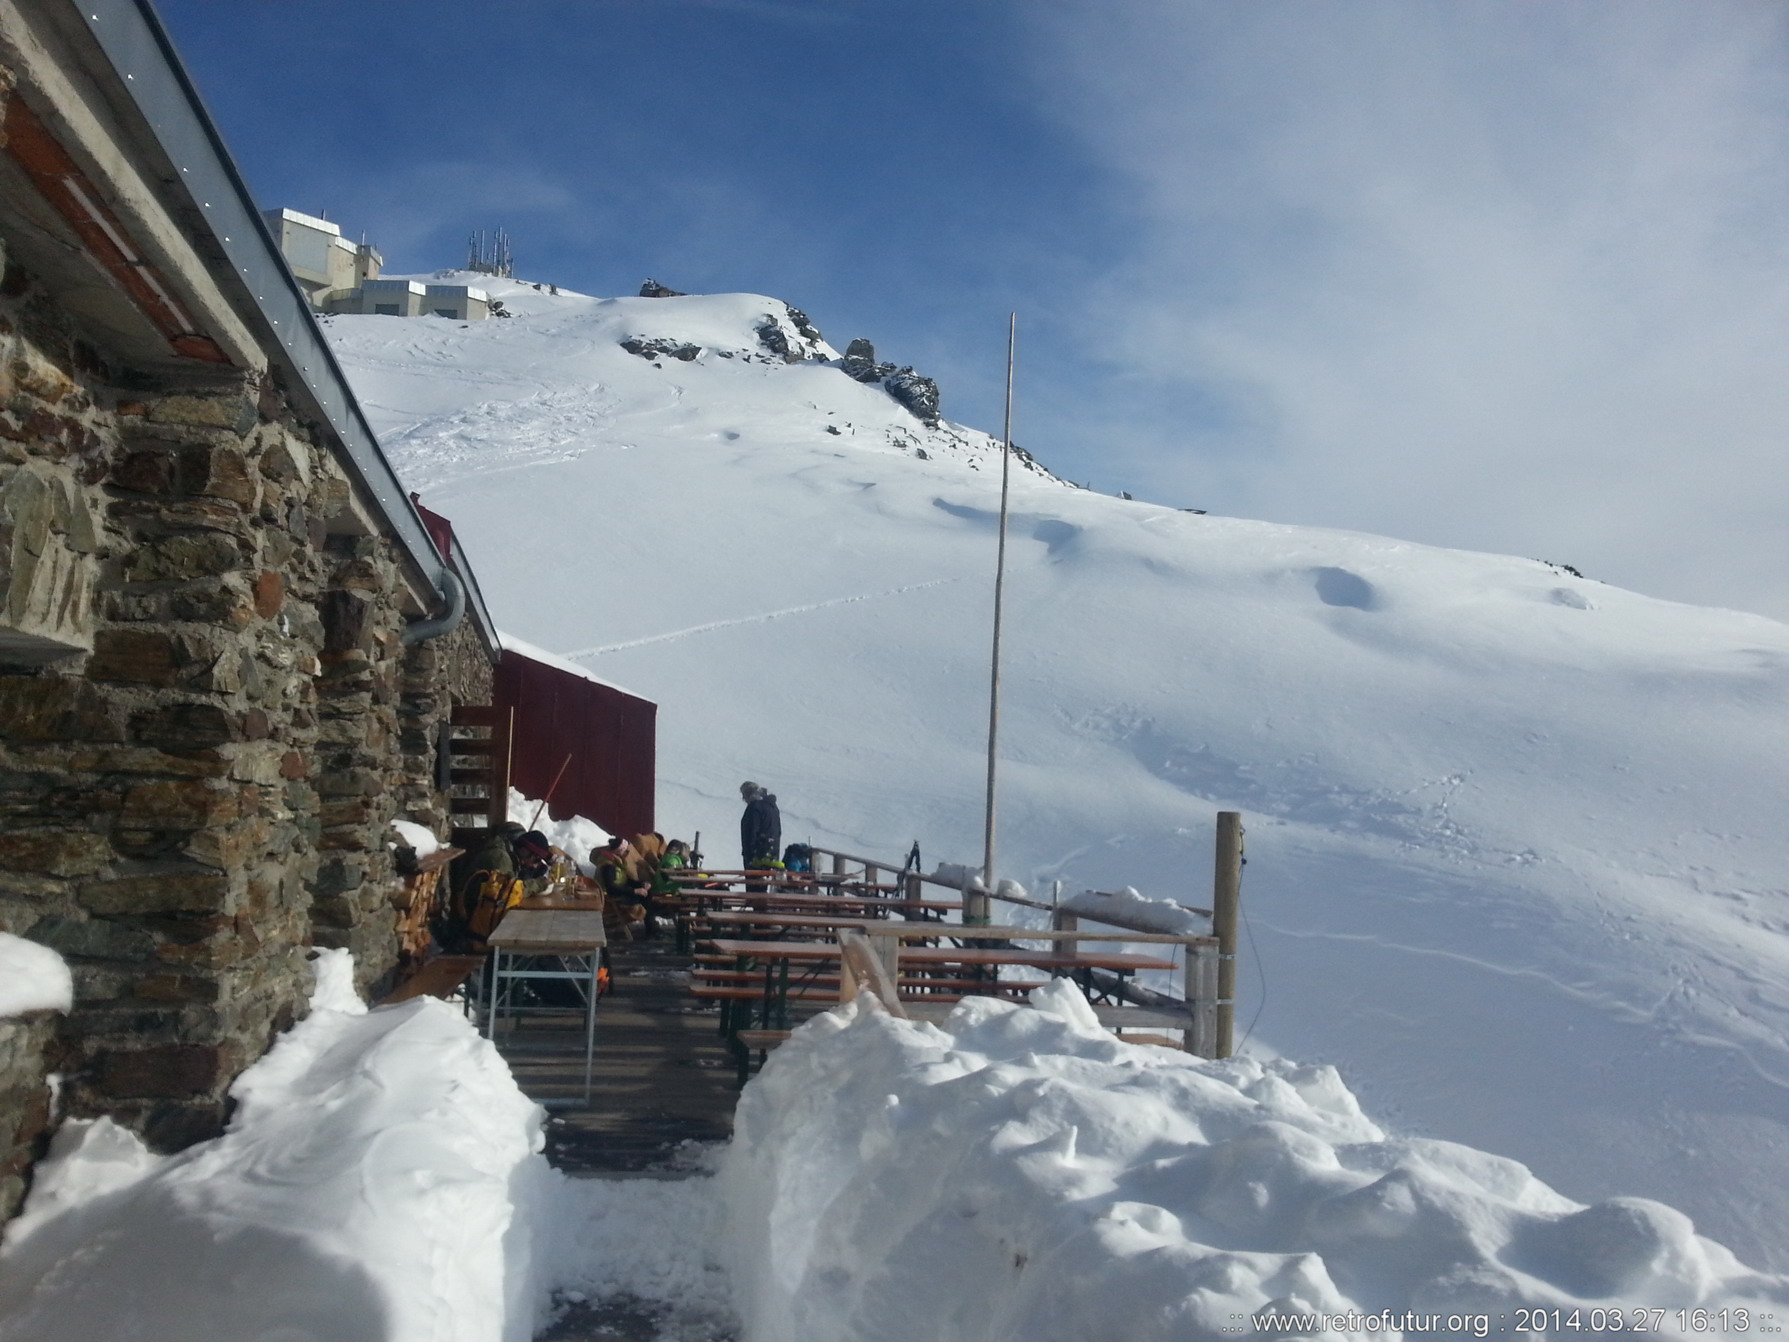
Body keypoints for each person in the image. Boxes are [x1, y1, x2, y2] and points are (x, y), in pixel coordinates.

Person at [739, 782, 781, 869]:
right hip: (773, 855)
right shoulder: (773, 807)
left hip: (756, 858)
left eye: (744, 794)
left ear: (749, 793)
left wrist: (749, 855)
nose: (743, 798)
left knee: (755, 877)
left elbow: (751, 831)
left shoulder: (754, 807)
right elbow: (778, 831)